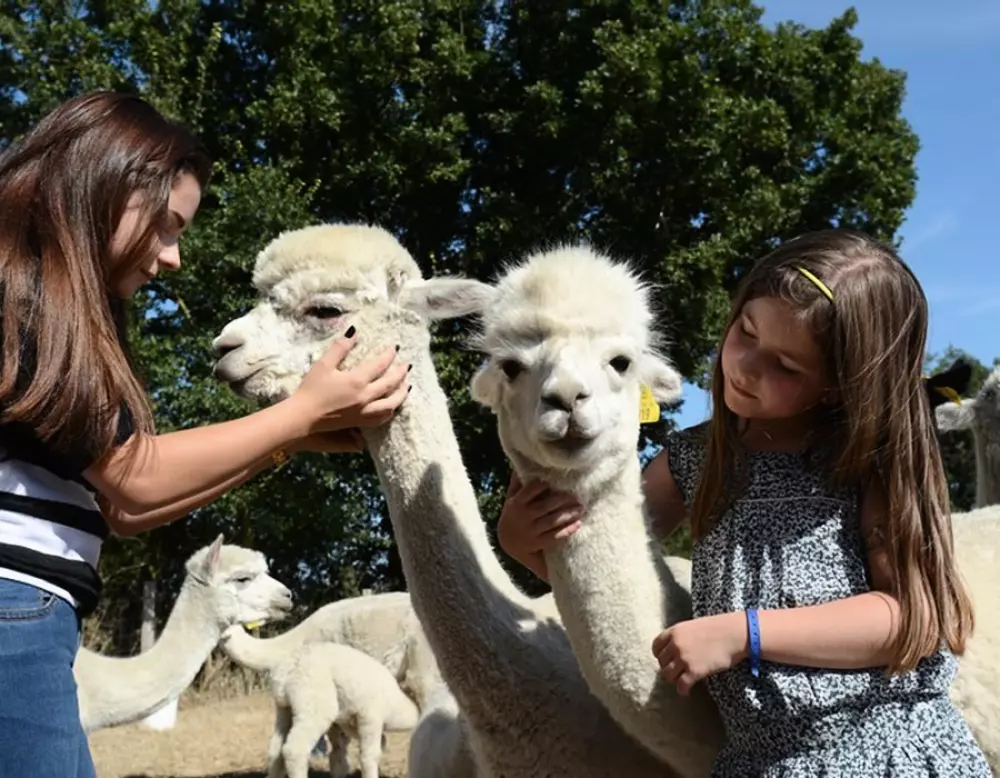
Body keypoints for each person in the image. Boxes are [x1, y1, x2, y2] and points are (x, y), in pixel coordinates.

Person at [0, 91, 409, 777]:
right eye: (166, 225)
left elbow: (125, 509)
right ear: (101, 181)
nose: (172, 258)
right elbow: (137, 475)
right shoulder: (27, 295)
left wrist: (289, 438)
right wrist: (298, 415)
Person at [497, 230, 990, 775]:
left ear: (841, 385)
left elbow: (909, 619)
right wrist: (522, 544)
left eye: (786, 366)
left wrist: (744, 634)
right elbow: (601, 567)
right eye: (746, 331)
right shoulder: (698, 460)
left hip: (880, 756)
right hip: (757, 762)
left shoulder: (862, 461)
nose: (747, 366)